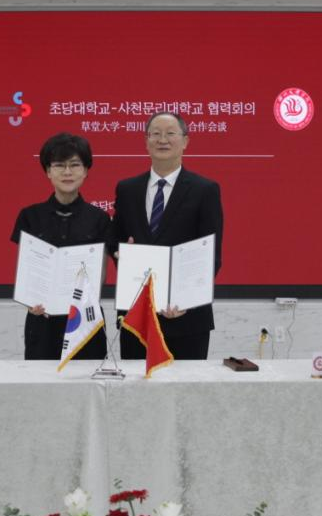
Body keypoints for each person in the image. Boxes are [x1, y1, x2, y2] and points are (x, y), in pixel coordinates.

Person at [112, 112, 223, 360]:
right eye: (156, 134)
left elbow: (211, 256)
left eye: (170, 133)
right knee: (135, 383)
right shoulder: (127, 189)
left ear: (185, 141)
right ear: (146, 141)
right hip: (136, 316)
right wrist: (121, 253)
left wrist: (185, 300)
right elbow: (116, 239)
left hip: (186, 319)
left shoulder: (205, 190)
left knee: (184, 385)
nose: (163, 140)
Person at [11, 133, 111, 360]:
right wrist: (30, 300)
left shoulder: (100, 218)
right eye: (59, 165)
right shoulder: (30, 216)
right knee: (40, 380)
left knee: (88, 381)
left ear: (85, 171)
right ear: (48, 171)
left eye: (75, 165)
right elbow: (27, 271)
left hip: (86, 321)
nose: (67, 172)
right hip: (42, 320)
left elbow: (101, 275)